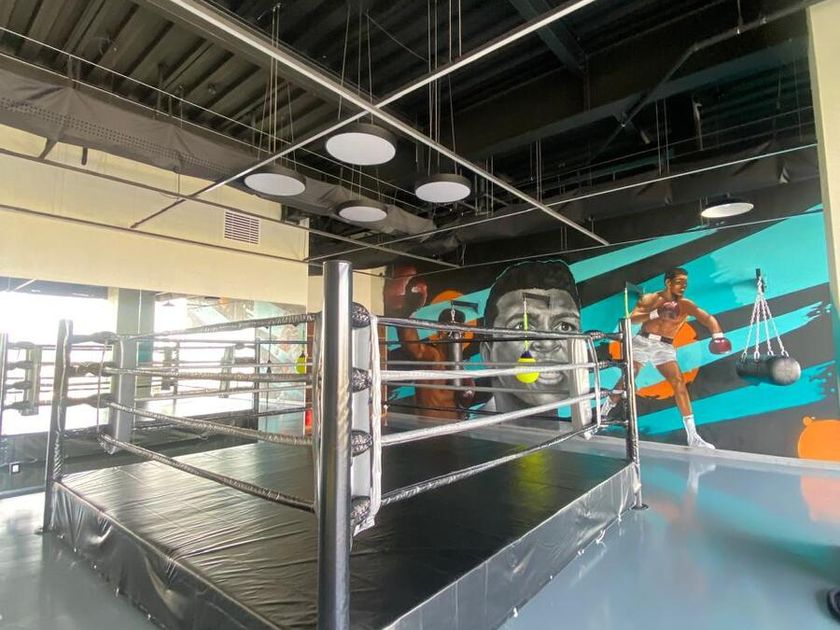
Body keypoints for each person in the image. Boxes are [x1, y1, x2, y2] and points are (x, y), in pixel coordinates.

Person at [602, 267, 732, 449]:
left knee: (679, 383)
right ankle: (602, 415)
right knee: (628, 377)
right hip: (642, 342)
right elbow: (631, 319)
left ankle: (693, 436)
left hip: (664, 347)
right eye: (679, 282)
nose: (683, 286)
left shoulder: (685, 304)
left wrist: (718, 336)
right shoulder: (651, 298)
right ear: (668, 283)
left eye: (685, 283)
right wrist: (657, 313)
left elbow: (707, 318)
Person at [480, 260, 581, 414]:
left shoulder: (589, 426)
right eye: (522, 326)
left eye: (564, 326)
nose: (547, 343)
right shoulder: (465, 428)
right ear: (487, 353)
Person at [384, 269, 475, 420]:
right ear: (440, 332)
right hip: (429, 429)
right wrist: (409, 311)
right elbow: (412, 344)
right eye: (454, 332)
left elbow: (462, 407)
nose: (458, 337)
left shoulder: (460, 370)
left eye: (461, 333)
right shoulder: (433, 357)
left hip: (452, 429)